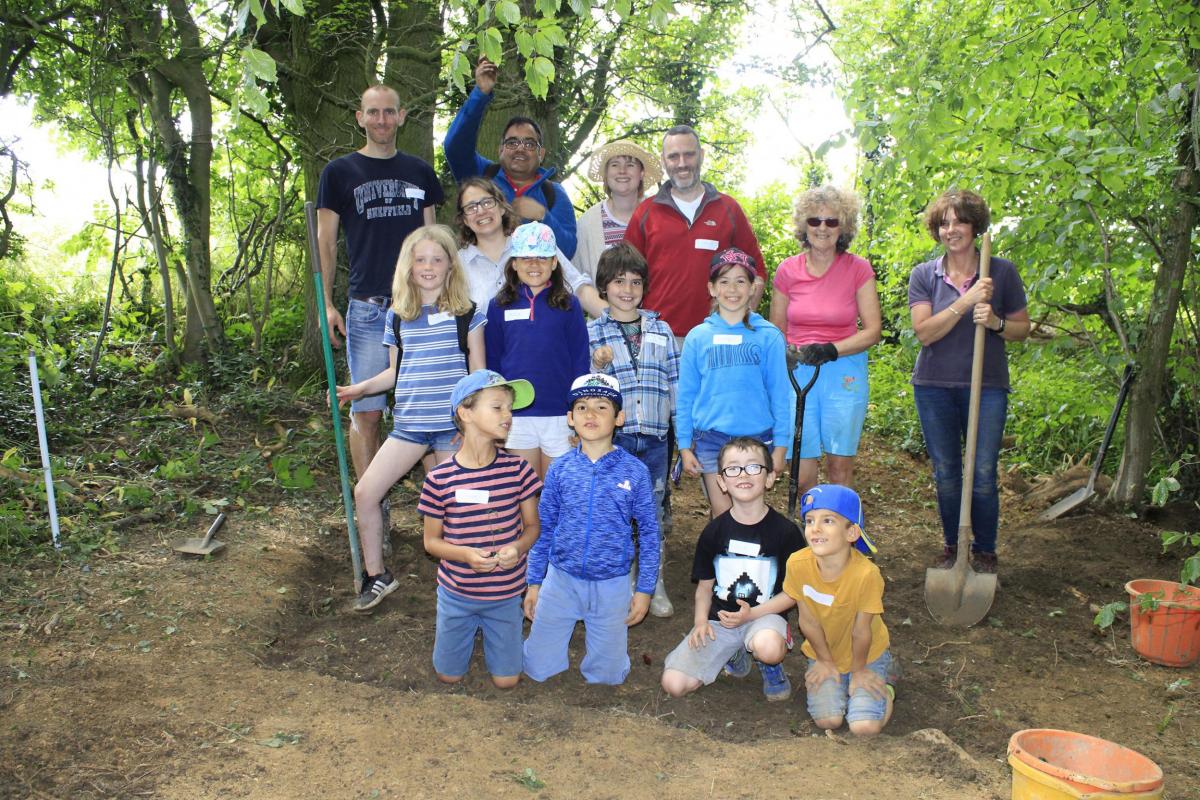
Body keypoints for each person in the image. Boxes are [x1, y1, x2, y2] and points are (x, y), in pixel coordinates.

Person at [336, 225, 485, 612]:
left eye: (437, 259)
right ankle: (377, 575)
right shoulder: (398, 316)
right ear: (409, 266)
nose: (428, 266)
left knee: (459, 505)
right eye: (421, 260)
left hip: (451, 431)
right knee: (365, 493)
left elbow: (478, 378)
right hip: (409, 428)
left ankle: (467, 583)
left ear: (451, 265)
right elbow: (394, 373)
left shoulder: (468, 314)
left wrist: (470, 428)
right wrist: (360, 389)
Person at [317, 85, 444, 496]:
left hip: (418, 308)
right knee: (368, 412)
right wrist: (326, 304)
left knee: (427, 410)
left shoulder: (420, 172)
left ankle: (441, 507)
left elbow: (432, 240)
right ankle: (373, 504)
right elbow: (325, 241)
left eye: (389, 112)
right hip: (368, 309)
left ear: (402, 116)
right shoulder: (339, 173)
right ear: (361, 118)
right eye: (373, 112)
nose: (382, 120)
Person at [909, 189, 1030, 574]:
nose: (951, 230)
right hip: (933, 386)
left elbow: (1022, 329)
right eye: (944, 223)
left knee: (982, 473)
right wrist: (966, 301)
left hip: (987, 386)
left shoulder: (1002, 272)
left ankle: (985, 550)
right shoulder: (924, 275)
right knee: (946, 473)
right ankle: (953, 547)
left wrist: (995, 322)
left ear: (975, 226)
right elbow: (925, 332)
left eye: (959, 221)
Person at [721, 484, 894, 736]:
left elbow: (861, 631)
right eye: (810, 520)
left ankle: (887, 687)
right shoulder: (798, 564)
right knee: (828, 721)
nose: (815, 528)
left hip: (865, 656)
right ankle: (844, 686)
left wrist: (859, 672)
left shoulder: (866, 575)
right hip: (825, 652)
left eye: (828, 520)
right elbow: (808, 622)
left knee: (863, 728)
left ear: (852, 532)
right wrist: (824, 661)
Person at [522, 373, 661, 685]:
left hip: (612, 582)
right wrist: (534, 582)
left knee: (608, 677)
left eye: (602, 407)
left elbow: (650, 535)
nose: (591, 414)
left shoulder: (635, 472)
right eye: (582, 407)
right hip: (561, 579)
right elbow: (544, 528)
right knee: (536, 668)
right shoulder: (560, 468)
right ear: (570, 418)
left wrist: (644, 590)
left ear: (619, 418)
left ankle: (606, 659)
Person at [418, 370, 542, 689]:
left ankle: (496, 631)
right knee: (448, 676)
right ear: (466, 412)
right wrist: (465, 555)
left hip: (505, 594)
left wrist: (518, 548)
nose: (508, 415)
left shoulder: (518, 470)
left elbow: (532, 526)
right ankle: (466, 630)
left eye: (510, 408)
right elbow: (431, 542)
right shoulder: (439, 479)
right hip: (456, 594)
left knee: (507, 682)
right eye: (497, 407)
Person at [660, 438, 804, 701]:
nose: (743, 474)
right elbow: (704, 587)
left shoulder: (787, 533)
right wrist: (700, 622)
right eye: (733, 468)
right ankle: (735, 653)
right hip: (721, 621)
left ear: (770, 478)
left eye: (753, 467)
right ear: (722, 482)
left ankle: (768, 663)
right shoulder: (714, 531)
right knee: (674, 684)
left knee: (768, 648)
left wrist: (752, 614)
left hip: (765, 617)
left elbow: (794, 593)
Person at [769, 185, 881, 495]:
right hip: (798, 372)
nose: (822, 228)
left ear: (843, 226)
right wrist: (784, 353)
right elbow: (776, 329)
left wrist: (831, 349)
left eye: (831, 221)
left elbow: (872, 331)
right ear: (803, 225)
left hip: (843, 370)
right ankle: (809, 524)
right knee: (803, 472)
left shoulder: (858, 269)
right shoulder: (787, 270)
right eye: (814, 220)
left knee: (838, 469)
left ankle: (839, 524)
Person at [588, 243, 679, 617]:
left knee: (652, 513)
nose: (627, 289)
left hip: (656, 440)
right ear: (603, 286)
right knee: (616, 512)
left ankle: (653, 583)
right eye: (619, 281)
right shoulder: (593, 333)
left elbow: (675, 385)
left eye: (636, 282)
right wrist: (596, 366)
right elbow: (586, 391)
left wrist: (683, 437)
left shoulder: (661, 329)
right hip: (616, 441)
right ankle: (621, 581)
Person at [676, 248, 793, 519]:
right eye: (724, 281)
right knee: (723, 514)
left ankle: (752, 549)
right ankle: (723, 549)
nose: (732, 289)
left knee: (750, 511)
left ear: (753, 287)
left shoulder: (769, 337)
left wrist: (781, 448)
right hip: (711, 439)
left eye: (741, 281)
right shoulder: (697, 337)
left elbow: (780, 395)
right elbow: (686, 396)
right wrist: (684, 445)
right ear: (712, 288)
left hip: (757, 438)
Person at [624, 125, 765, 339]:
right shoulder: (645, 213)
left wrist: (740, 322)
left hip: (717, 335)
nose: (682, 163)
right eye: (673, 156)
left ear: (701, 155)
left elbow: (758, 273)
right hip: (659, 336)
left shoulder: (728, 209)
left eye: (689, 154)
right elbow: (624, 276)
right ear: (663, 161)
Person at [484, 221, 589, 479]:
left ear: (554, 262)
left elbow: (580, 359)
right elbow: (493, 362)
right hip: (516, 414)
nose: (534, 264)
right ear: (514, 263)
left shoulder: (570, 305)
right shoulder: (498, 306)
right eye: (526, 258)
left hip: (560, 413)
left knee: (556, 489)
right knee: (525, 490)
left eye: (542, 257)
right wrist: (497, 410)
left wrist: (578, 408)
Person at [444, 57, 577, 258]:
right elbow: (455, 147)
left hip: (534, 276)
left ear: (541, 154)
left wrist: (542, 216)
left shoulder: (553, 193)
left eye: (529, 144)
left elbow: (568, 251)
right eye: (512, 143)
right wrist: (481, 94)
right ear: (500, 150)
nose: (520, 149)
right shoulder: (481, 176)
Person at [455, 177, 604, 317]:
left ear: (502, 208)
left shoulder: (537, 240)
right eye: (471, 207)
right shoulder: (456, 264)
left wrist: (615, 320)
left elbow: (579, 289)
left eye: (487, 202)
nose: (481, 211)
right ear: (464, 220)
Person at [574, 140, 663, 281]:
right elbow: (576, 277)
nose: (622, 171)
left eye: (630, 165)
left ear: (641, 173)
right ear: (606, 174)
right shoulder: (587, 224)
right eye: (615, 165)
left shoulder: (660, 216)